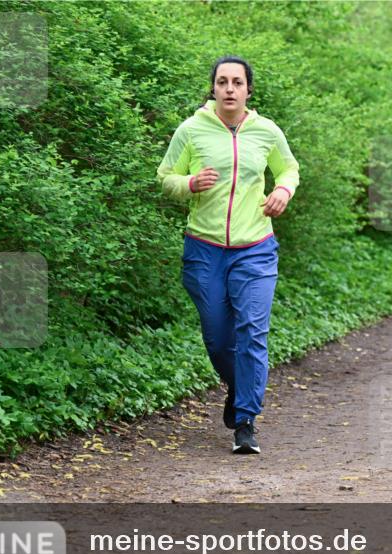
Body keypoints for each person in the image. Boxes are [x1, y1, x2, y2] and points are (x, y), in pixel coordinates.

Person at [157, 56, 299, 455]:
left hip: (255, 248)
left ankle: (245, 420)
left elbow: (289, 168)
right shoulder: (191, 130)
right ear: (214, 89)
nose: (230, 88)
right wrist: (188, 183)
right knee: (219, 337)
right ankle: (240, 388)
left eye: (238, 82)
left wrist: (283, 191)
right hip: (204, 248)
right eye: (223, 82)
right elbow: (165, 177)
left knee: (252, 331)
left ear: (248, 90)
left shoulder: (266, 131)